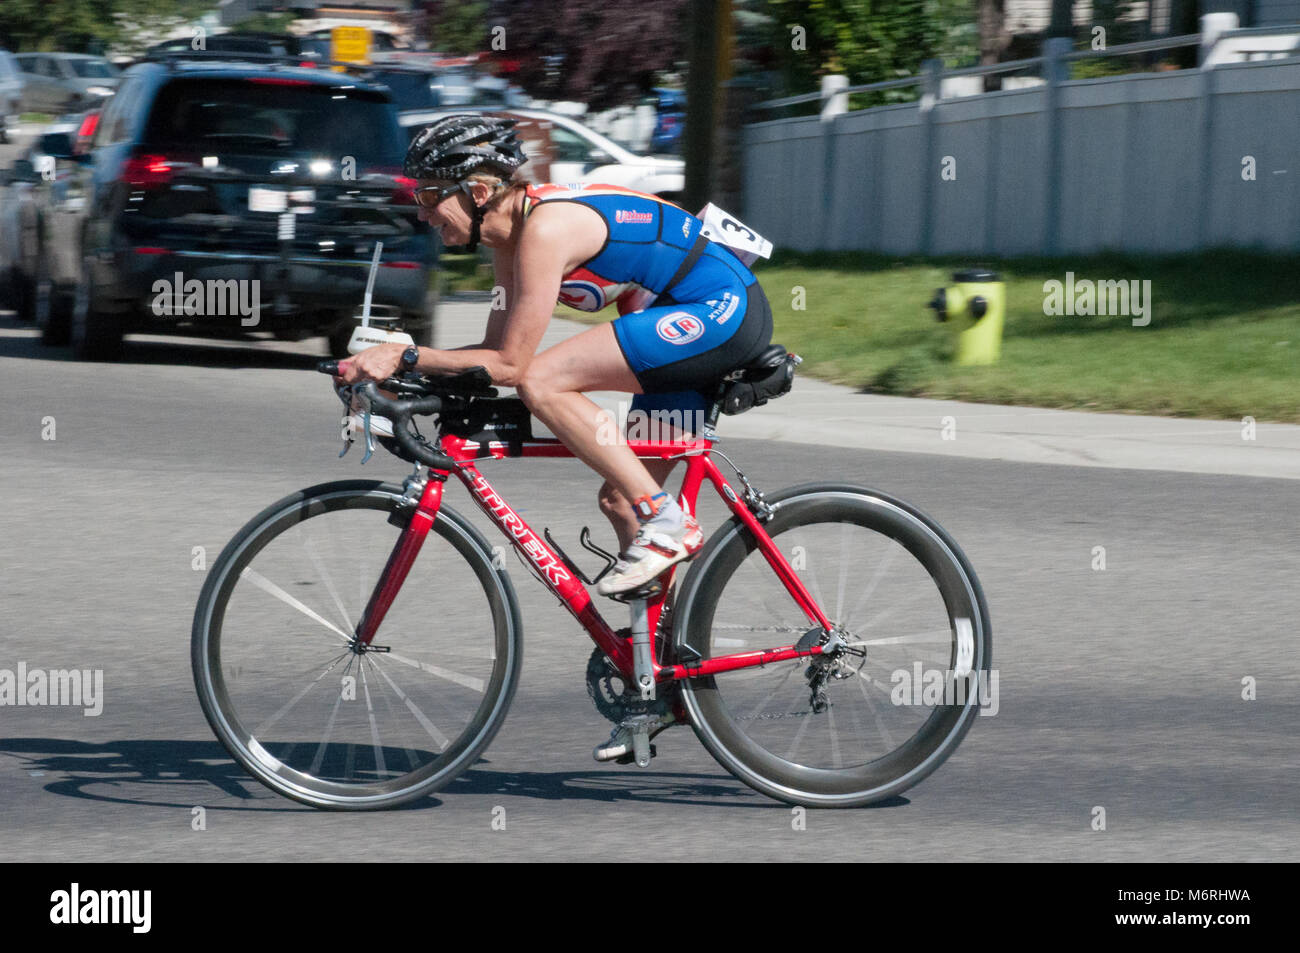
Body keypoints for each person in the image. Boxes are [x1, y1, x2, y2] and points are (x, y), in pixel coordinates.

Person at [339, 114, 772, 597]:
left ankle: (667, 519)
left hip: (720, 310)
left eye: (428, 196)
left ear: (478, 194)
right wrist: (401, 371)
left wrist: (405, 356)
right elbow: (491, 356)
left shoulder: (545, 232)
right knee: (620, 502)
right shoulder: (508, 239)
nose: (422, 213)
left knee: (543, 381)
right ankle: (660, 657)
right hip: (683, 321)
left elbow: (515, 367)